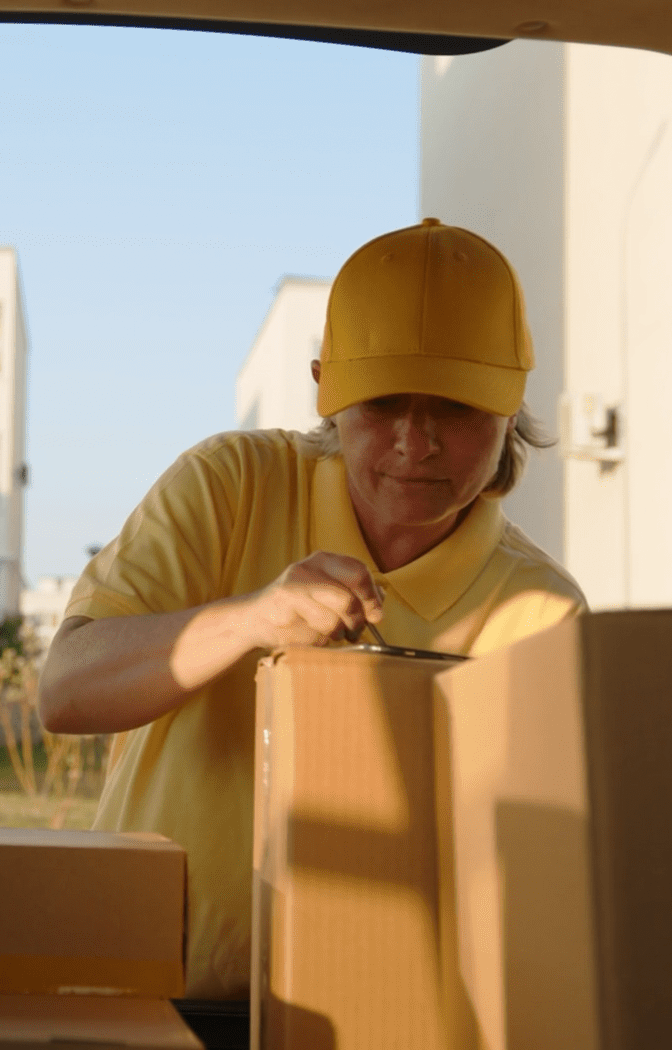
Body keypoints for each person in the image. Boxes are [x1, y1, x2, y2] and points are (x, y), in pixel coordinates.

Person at [37, 218, 586, 1000]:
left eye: (457, 409)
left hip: (372, 1014)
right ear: (327, 386)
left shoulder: (540, 613)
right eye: (384, 401)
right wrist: (253, 619)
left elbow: (531, 875)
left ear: (511, 408)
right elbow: (65, 692)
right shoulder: (230, 485)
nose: (414, 441)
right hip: (141, 992)